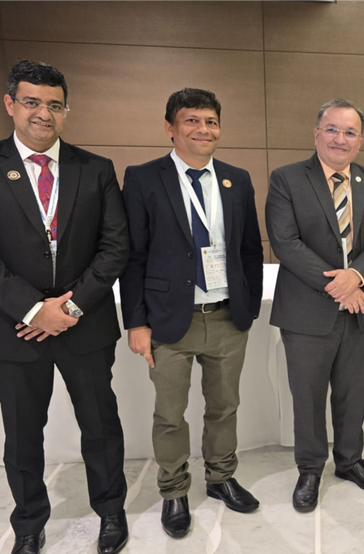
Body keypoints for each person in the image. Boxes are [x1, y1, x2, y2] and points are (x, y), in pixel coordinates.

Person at [0, 59, 131, 554]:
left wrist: (69, 310)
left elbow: (115, 247)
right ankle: (29, 522)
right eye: (32, 102)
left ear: (66, 111)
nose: (43, 113)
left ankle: (111, 510)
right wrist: (34, 310)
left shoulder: (95, 169)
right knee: (23, 433)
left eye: (55, 104)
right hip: (12, 328)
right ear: (10, 104)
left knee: (101, 425)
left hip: (84, 323)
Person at [119, 87, 265, 537]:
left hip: (226, 316)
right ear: (170, 127)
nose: (203, 129)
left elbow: (249, 249)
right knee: (170, 413)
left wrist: (248, 306)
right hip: (168, 319)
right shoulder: (143, 178)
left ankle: (221, 478)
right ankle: (174, 490)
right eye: (192, 121)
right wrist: (136, 321)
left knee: (225, 406)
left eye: (211, 121)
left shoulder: (237, 179)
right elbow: (133, 256)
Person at [266, 99, 364, 511]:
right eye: (332, 129)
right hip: (306, 310)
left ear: (361, 141)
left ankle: (350, 460)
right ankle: (309, 468)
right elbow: (285, 243)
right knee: (307, 396)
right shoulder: (287, 178)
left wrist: (356, 276)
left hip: (361, 308)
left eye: (350, 132)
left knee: (353, 393)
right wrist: (340, 286)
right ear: (316, 133)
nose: (341, 138)